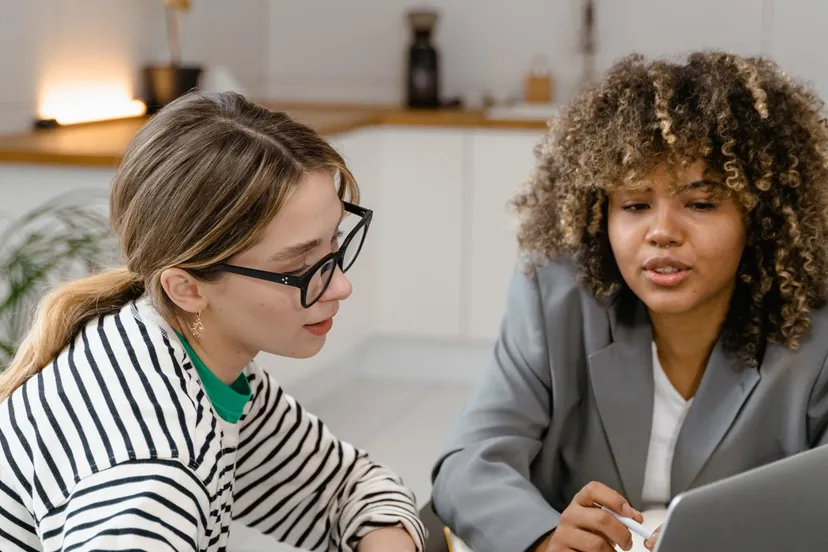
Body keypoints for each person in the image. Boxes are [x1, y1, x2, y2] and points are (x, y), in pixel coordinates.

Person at [430, 51, 828, 552]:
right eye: (635, 205)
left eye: (701, 203)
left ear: (760, 216)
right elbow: (470, 460)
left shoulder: (814, 326)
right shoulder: (556, 294)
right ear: (602, 215)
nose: (662, 232)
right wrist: (545, 538)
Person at [0, 91, 425, 552]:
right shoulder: (152, 470)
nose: (340, 286)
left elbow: (348, 488)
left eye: (334, 246)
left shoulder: (193, 357)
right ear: (186, 287)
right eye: (301, 265)